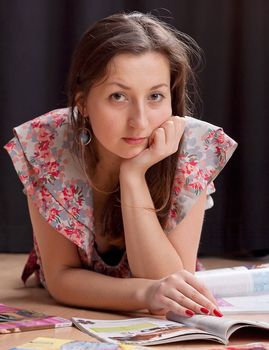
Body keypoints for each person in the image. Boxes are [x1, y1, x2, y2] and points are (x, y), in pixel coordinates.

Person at [4, 11, 237, 317]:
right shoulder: (49, 142)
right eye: (118, 96)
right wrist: (147, 292)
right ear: (83, 103)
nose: (140, 122)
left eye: (155, 96)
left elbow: (170, 281)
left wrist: (133, 175)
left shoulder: (193, 145)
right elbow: (61, 278)